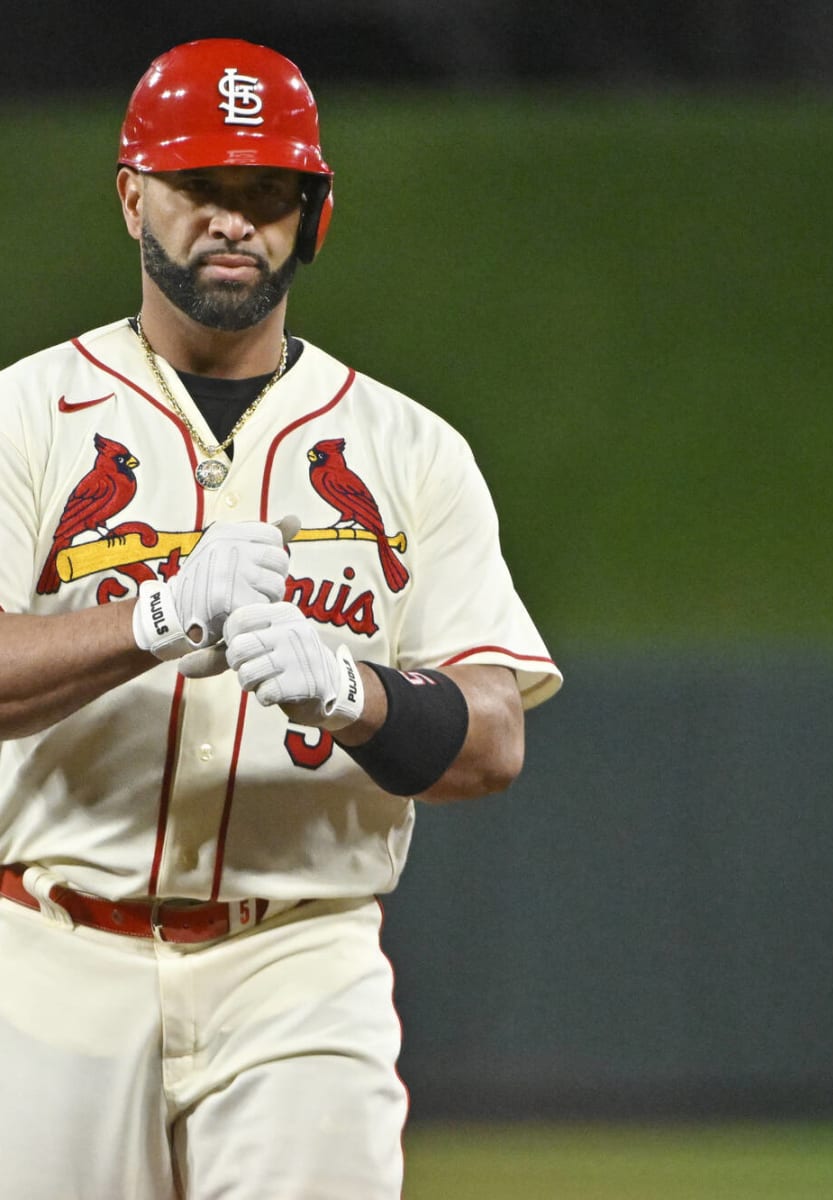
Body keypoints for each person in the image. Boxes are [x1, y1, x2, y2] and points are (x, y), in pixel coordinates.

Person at [0, 37, 561, 1199]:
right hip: (45, 960)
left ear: (316, 213)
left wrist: (361, 696)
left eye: (268, 192)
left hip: (300, 963)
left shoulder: (411, 449)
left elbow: (495, 736)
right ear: (130, 195)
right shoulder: (26, 415)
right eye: (200, 186)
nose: (232, 220)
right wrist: (149, 617)